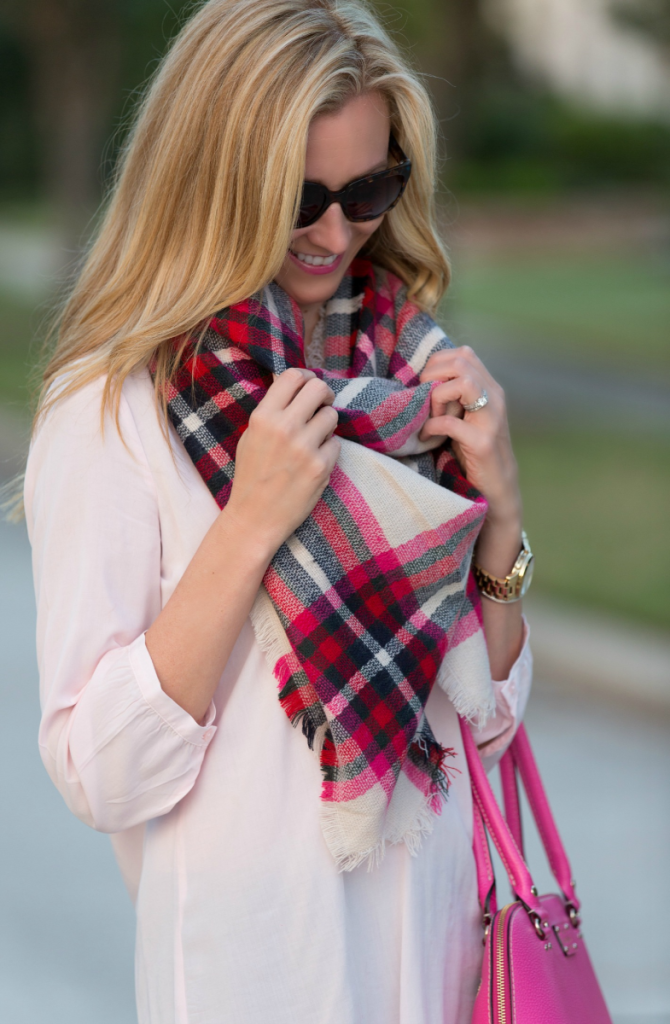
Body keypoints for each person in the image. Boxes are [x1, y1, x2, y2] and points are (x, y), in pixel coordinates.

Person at [24, 2, 533, 1021]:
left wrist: (501, 520)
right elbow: (102, 773)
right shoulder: (115, 405)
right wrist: (251, 521)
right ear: (215, 183)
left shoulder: (410, 372)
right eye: (300, 197)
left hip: (442, 958)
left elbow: (489, 722)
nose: (339, 233)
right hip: (259, 970)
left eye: (370, 189)